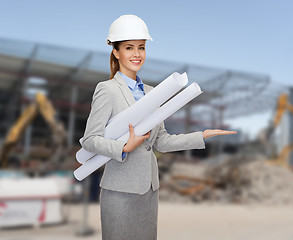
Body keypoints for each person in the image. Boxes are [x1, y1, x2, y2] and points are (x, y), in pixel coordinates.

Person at [81, 15, 237, 240]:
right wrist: (124, 147)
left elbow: (162, 141)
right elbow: (90, 140)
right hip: (120, 192)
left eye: (141, 48)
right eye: (129, 47)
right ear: (116, 51)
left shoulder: (154, 92)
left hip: (148, 191)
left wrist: (201, 136)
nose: (137, 54)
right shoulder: (107, 89)